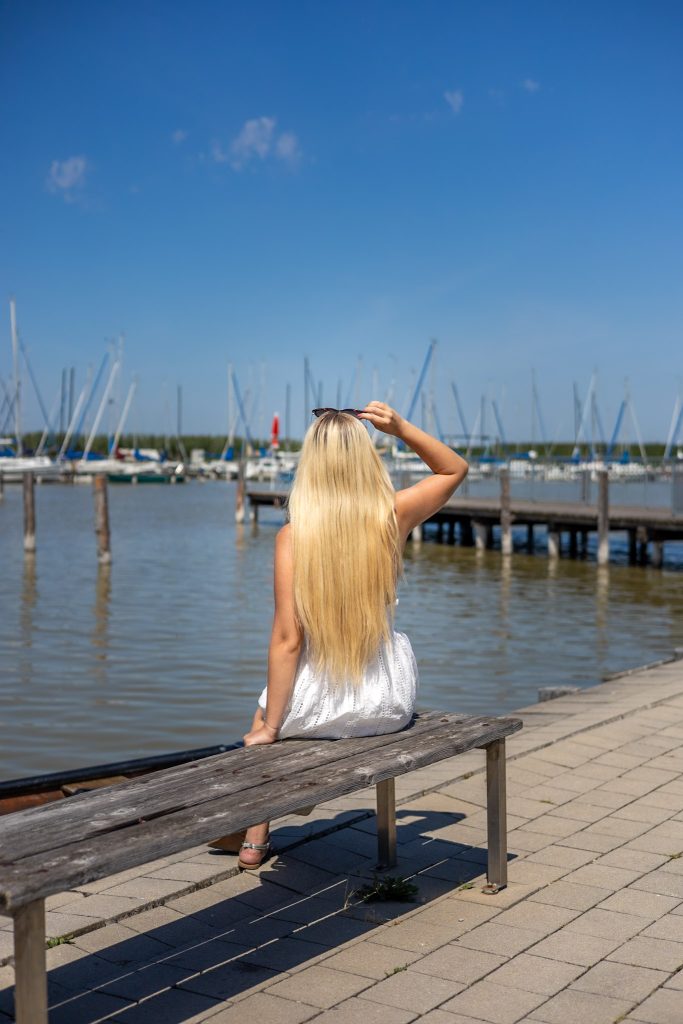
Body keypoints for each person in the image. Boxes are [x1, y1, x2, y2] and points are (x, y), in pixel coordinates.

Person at [212, 401, 468, 869]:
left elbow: (288, 639)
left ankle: (253, 840)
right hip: (387, 703)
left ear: (311, 464)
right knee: (274, 714)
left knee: (264, 717)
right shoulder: (392, 516)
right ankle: (251, 830)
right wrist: (400, 427)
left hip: (320, 708)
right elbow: (453, 468)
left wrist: (270, 727)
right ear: (365, 460)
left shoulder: (293, 537)